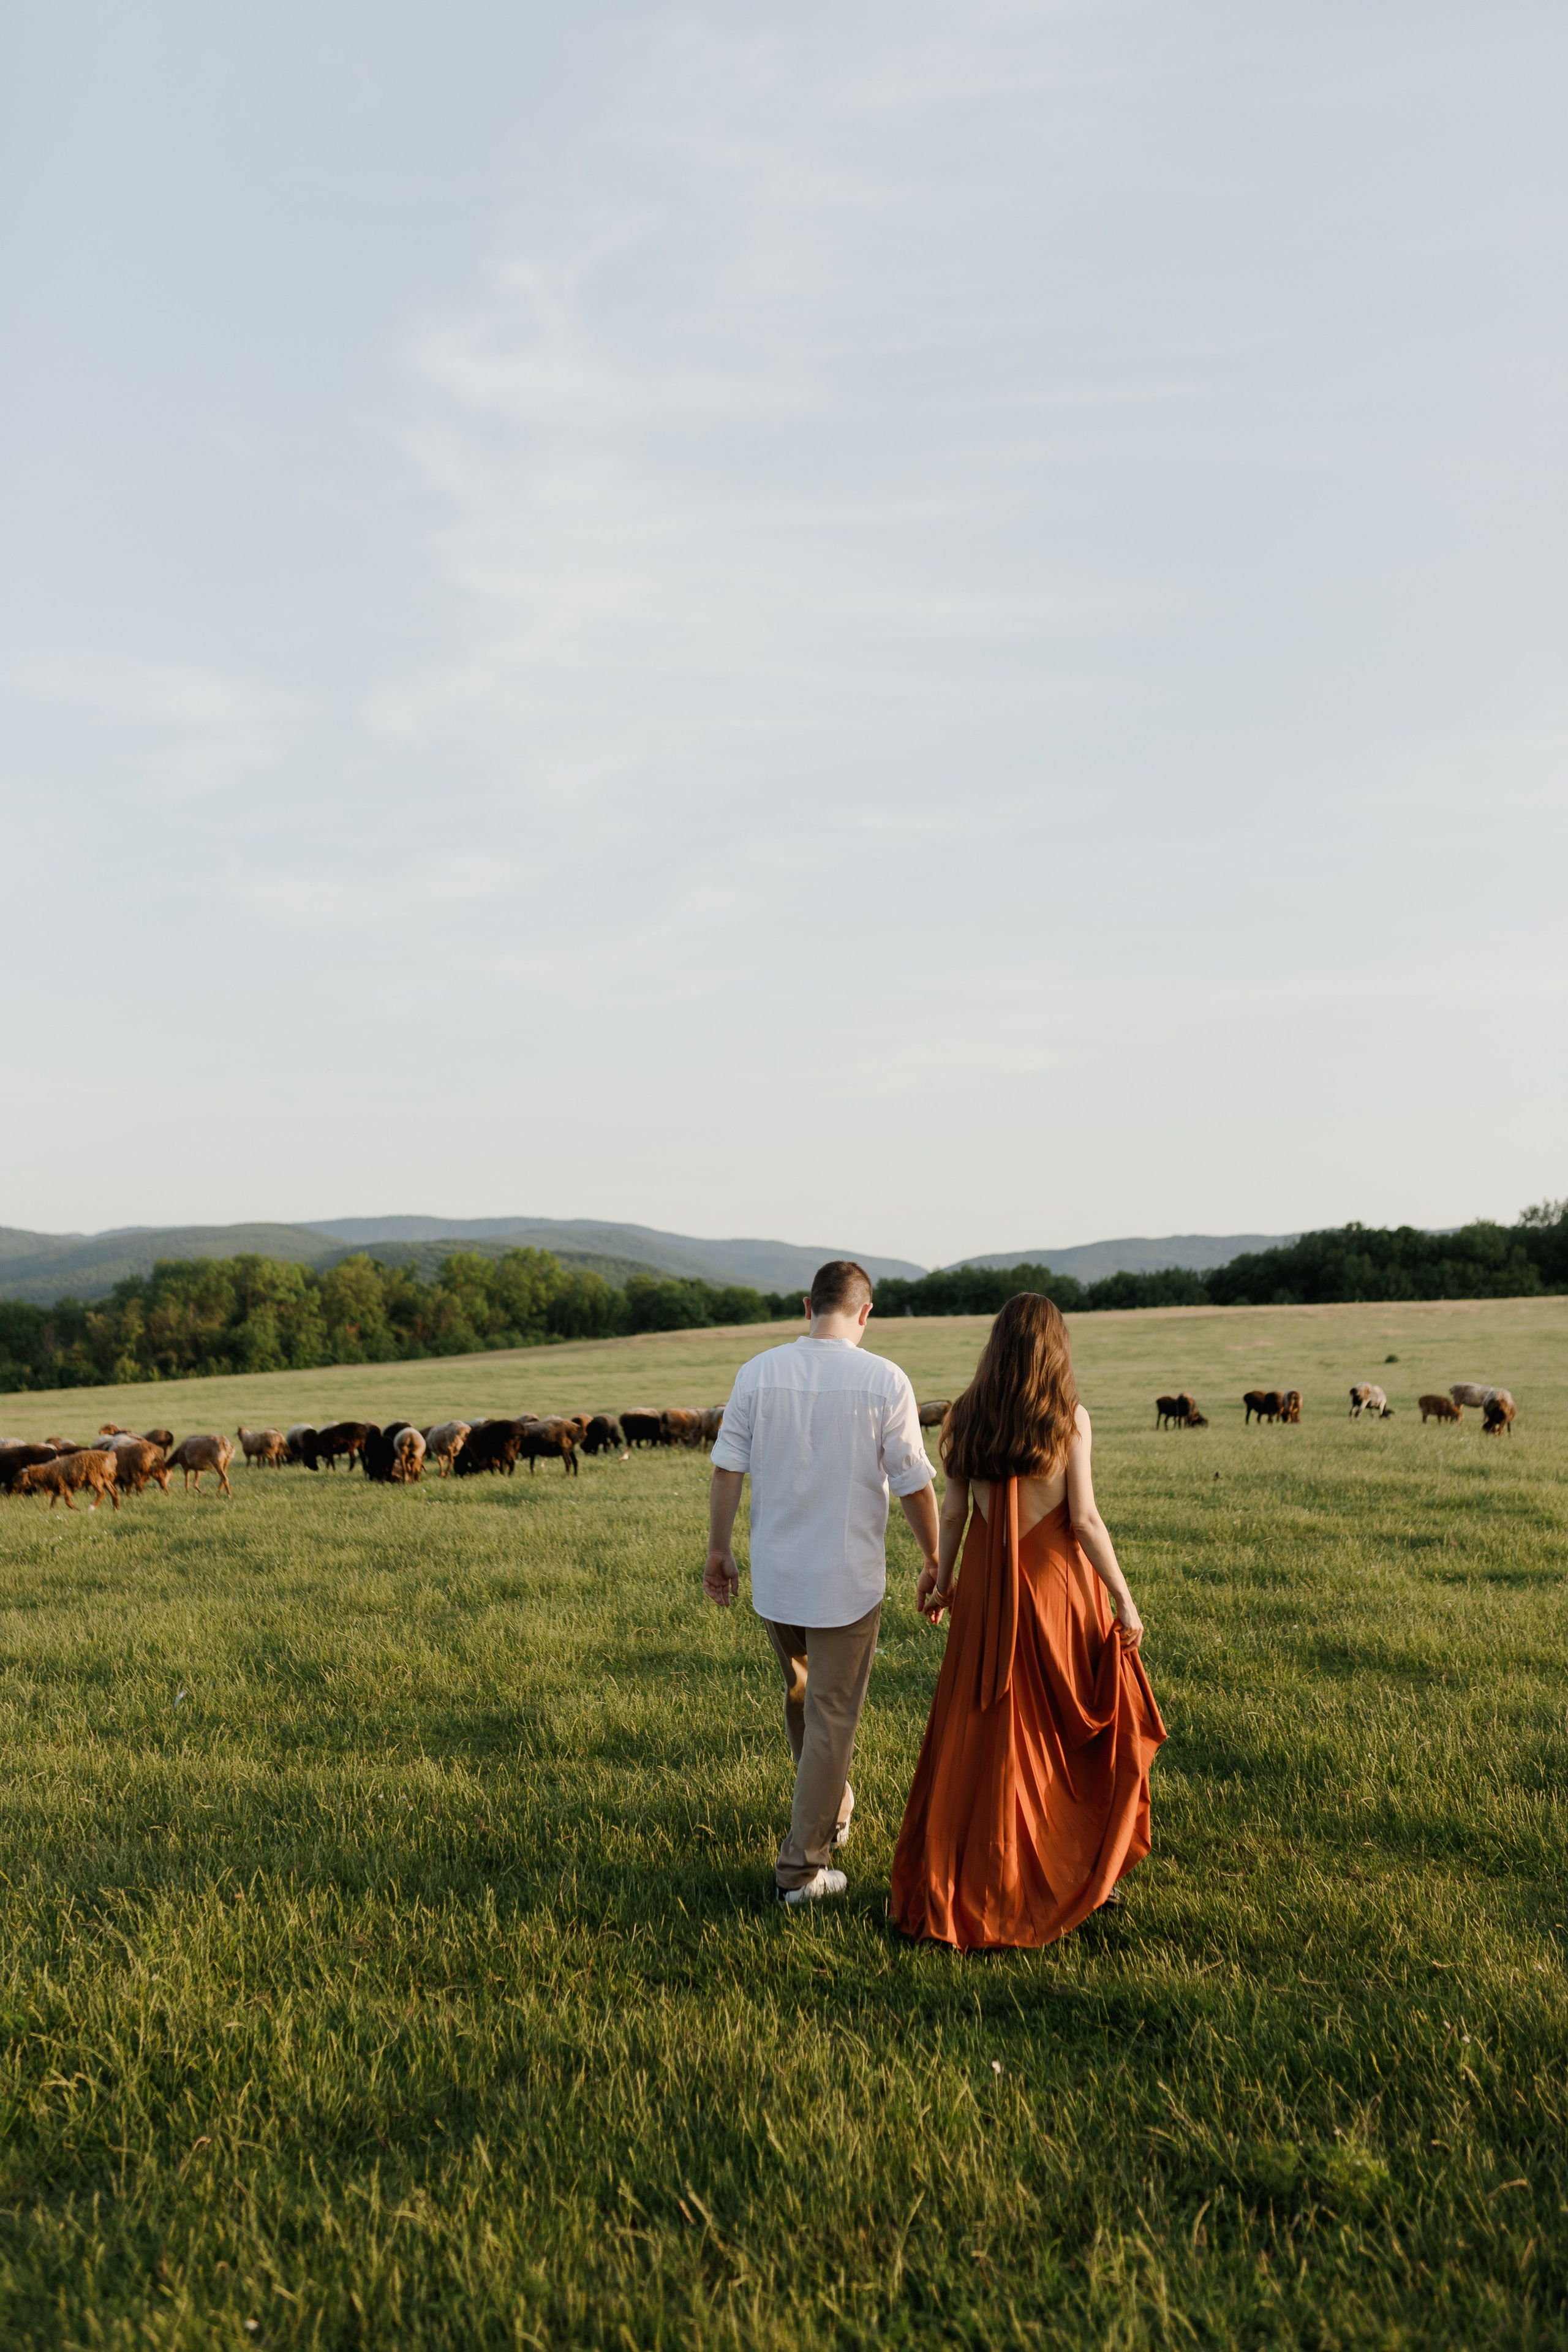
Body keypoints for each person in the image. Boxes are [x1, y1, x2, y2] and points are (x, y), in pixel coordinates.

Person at [890, 1292, 1165, 1949]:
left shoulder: (964, 1416)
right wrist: (1124, 1599)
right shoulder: (1069, 1420)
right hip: (1056, 1589)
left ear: (995, 1348)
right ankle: (1073, 1867)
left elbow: (953, 1514)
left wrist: (943, 1577)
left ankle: (970, 1872)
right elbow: (1086, 1520)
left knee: (982, 1731)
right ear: (1055, 1348)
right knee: (1057, 1730)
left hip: (987, 1585)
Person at [704, 1260, 940, 1907]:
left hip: (778, 1578)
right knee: (831, 1717)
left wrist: (719, 1551)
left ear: (808, 1306)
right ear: (865, 1314)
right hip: (846, 1582)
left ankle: (831, 1806)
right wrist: (934, 1559)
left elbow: (727, 1468)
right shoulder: (883, 1377)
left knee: (803, 1700)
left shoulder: (757, 1372)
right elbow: (915, 1482)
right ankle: (800, 1874)